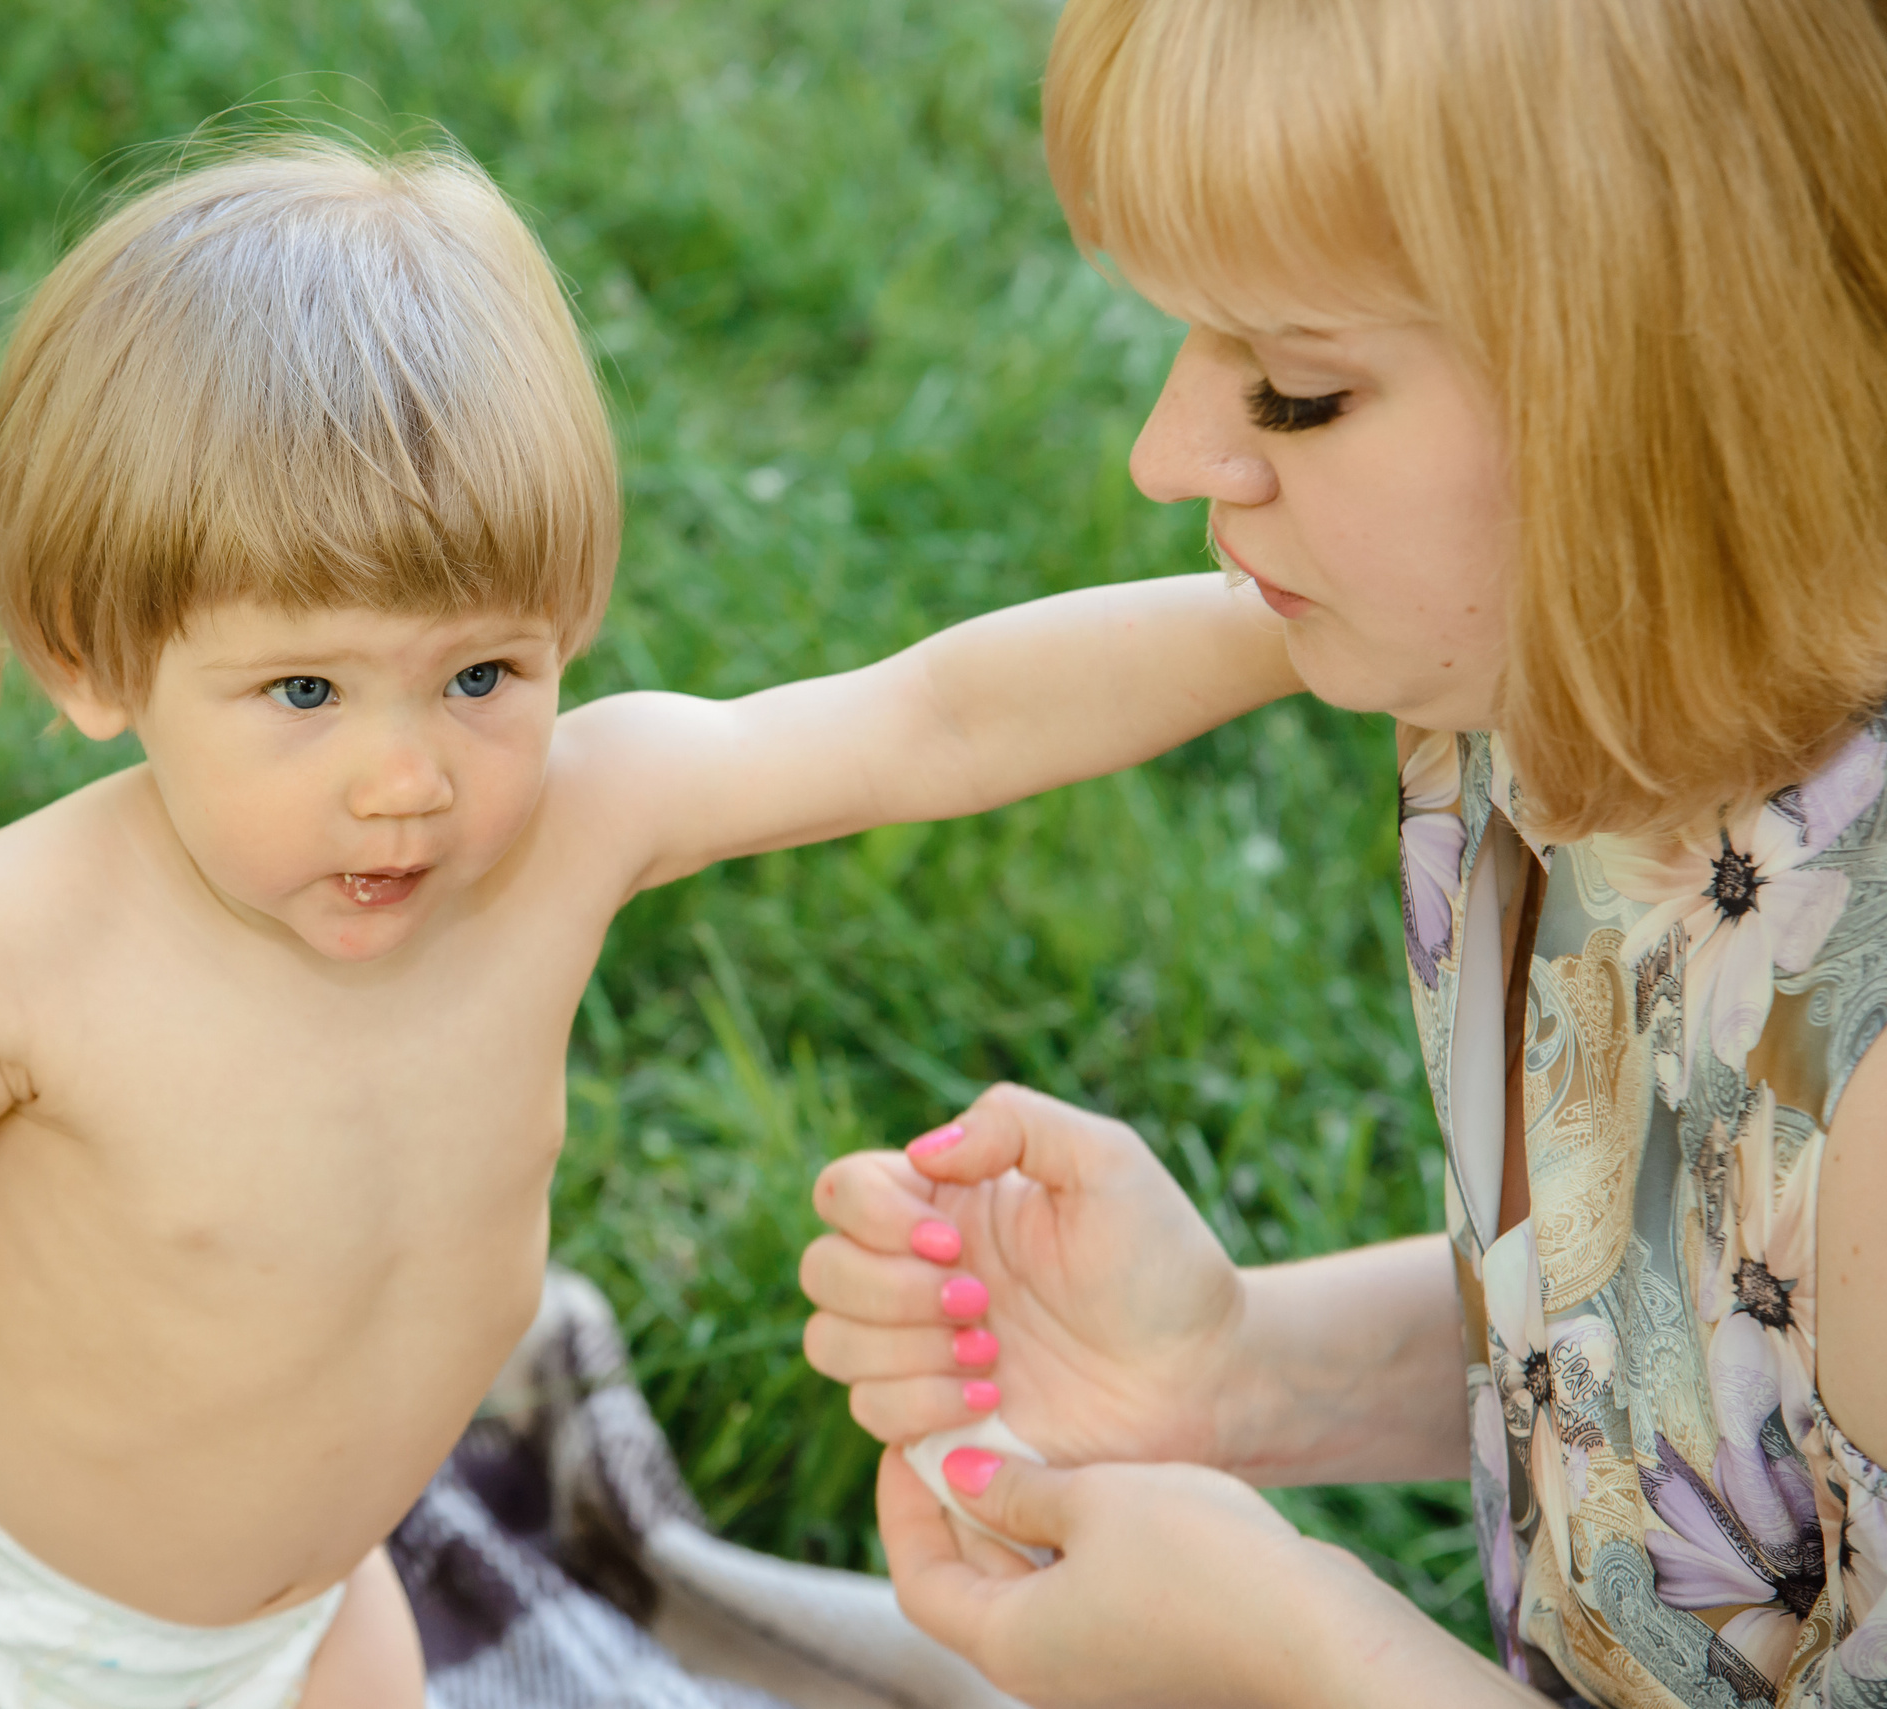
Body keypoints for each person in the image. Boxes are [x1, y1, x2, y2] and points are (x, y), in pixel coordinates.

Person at [0, 136, 1298, 1709]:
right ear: (92, 660)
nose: (409, 780)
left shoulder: (580, 821)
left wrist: (1284, 616)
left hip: (312, 1613)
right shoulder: (27, 942)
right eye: (305, 689)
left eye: (481, 674)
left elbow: (934, 719)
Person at [799, 0, 1887, 1704]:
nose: (1166, 456)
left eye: (1296, 389)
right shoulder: (1547, 682)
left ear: (1661, 394)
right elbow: (1672, 1345)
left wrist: (1305, 1653)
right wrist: (1233, 1368)